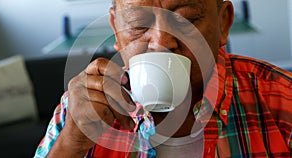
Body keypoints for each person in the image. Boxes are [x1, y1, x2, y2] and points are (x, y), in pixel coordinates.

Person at [34, 0, 292, 157]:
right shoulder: (80, 108)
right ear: (115, 27)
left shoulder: (282, 97)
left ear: (223, 23)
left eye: (186, 19)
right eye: (137, 23)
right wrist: (70, 144)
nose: (161, 42)